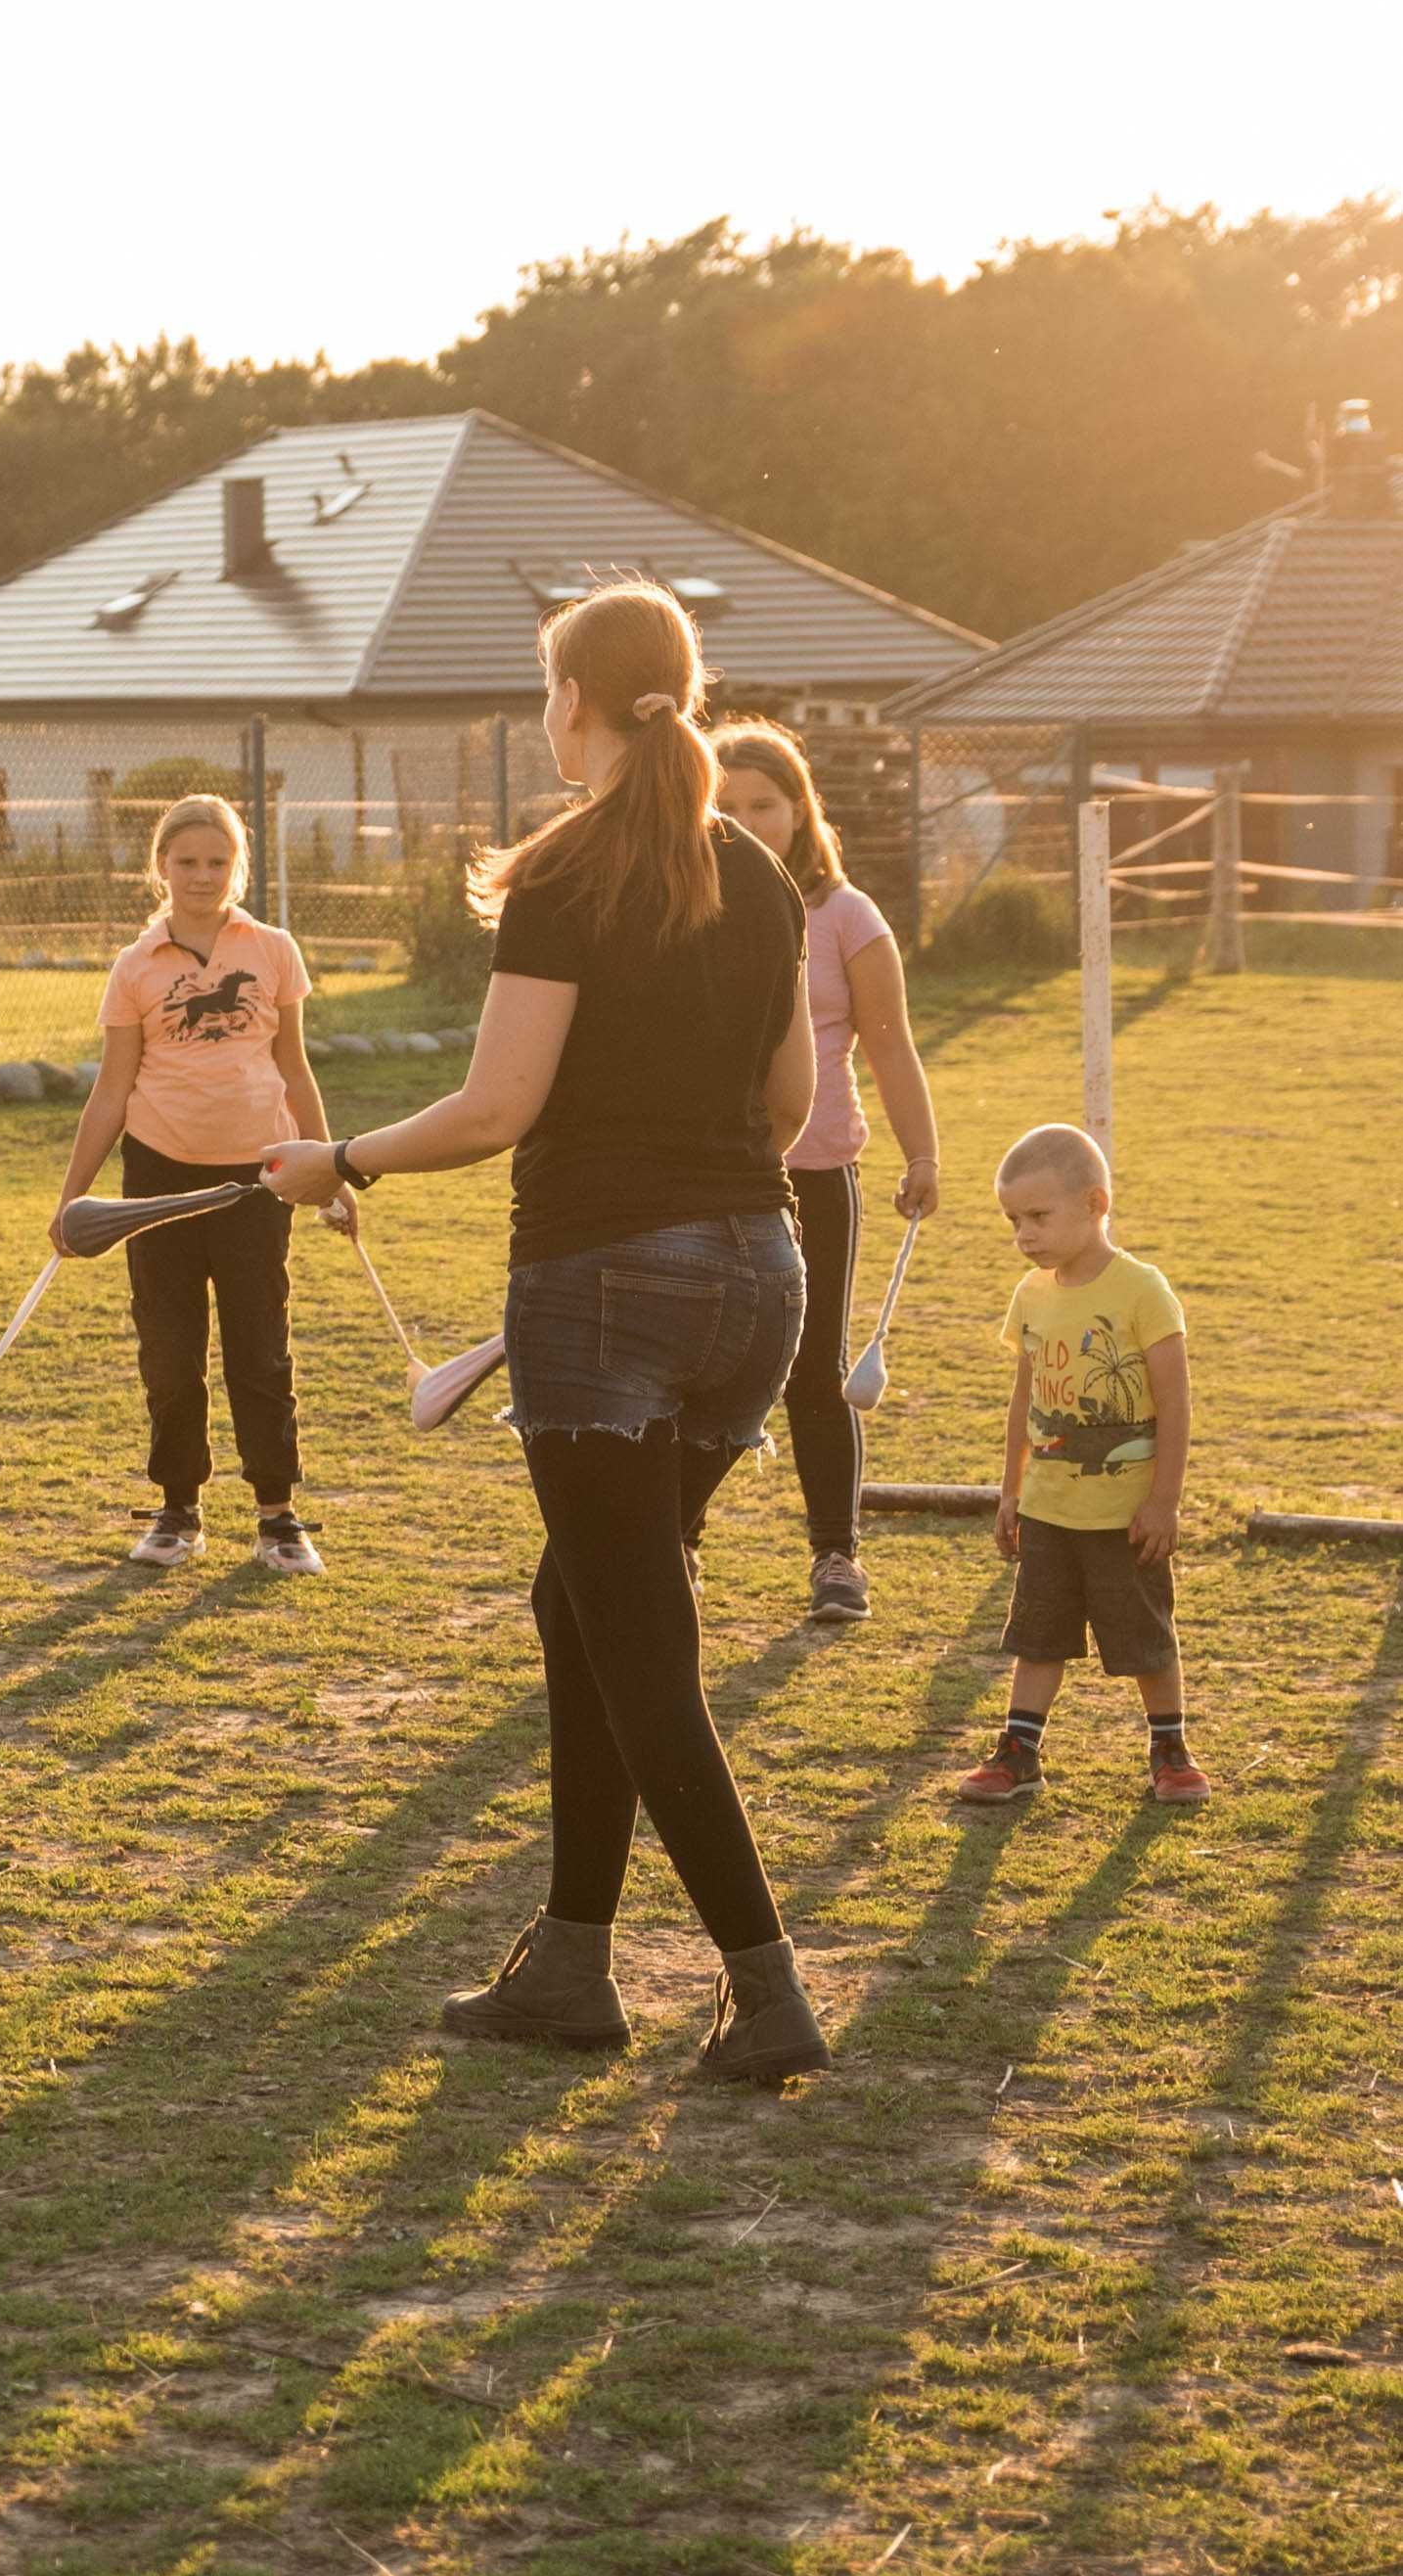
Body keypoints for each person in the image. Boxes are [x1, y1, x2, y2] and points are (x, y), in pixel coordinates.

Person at [266, 581, 833, 2088]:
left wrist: (343, 1162)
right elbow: (785, 1109)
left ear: (576, 700)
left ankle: (764, 1986)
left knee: (637, 1648)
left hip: (599, 1281)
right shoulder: (760, 876)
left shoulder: (567, 871)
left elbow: (498, 1106)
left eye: (542, 688)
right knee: (577, 1604)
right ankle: (569, 1964)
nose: (541, 713)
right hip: (757, 1280)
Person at [55, 790, 339, 1576]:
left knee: (260, 1347)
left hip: (259, 1180)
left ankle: (278, 1516)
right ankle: (178, 1509)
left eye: (217, 861)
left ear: (237, 865)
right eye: (187, 861)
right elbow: (111, 1091)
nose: (203, 875)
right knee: (170, 1349)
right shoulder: (134, 967)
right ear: (161, 867)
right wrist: (72, 1198)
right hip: (156, 1178)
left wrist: (330, 1170)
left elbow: (294, 1067)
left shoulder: (274, 949)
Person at [708, 722, 944, 1626]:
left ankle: (836, 1557)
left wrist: (922, 1154)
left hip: (814, 1171)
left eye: (763, 804)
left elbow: (891, 1048)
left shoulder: (847, 917)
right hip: (707, 1171)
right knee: (705, 1364)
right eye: (725, 805)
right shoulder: (684, 904)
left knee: (815, 1367)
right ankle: (675, 1542)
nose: (745, 819)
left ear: (801, 808)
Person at [954, 1123, 1203, 1807]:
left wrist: (1164, 1500)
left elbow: (1177, 1404)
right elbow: (1025, 1399)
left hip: (1125, 1515)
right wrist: (1009, 1492)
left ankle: (1170, 1748)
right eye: (1013, 1221)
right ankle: (1019, 1752)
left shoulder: (1143, 1291)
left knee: (1145, 1637)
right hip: (1048, 1507)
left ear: (1095, 1204)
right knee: (1038, 1635)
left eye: (1038, 1216)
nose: (1024, 1235)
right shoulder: (1031, 1295)